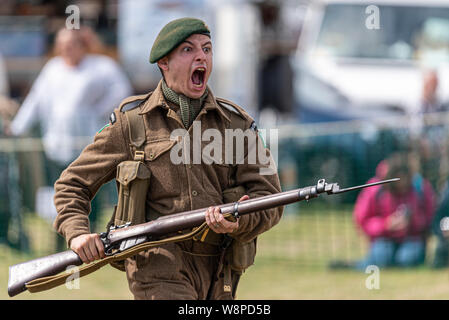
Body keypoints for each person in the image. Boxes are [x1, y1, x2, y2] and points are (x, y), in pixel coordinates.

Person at [52, 18, 283, 300]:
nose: (201, 56)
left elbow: (270, 198)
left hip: (221, 270)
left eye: (207, 49)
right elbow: (72, 184)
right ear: (164, 62)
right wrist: (77, 233)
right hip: (157, 267)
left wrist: (240, 222)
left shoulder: (237, 124)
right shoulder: (132, 123)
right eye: (188, 50)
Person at [8, 27, 132, 249]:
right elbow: (35, 101)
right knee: (59, 193)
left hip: (87, 147)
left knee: (87, 195)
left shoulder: (101, 67)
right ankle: (59, 241)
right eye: (62, 46)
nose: (67, 50)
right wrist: (17, 128)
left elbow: (121, 92)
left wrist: (97, 112)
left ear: (82, 45)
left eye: (71, 45)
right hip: (56, 145)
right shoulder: (52, 69)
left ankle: (90, 240)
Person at [353, 153, 436, 269]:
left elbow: (431, 219)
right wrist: (386, 224)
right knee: (382, 257)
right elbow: (363, 221)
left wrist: (413, 220)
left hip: (412, 238)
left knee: (407, 259)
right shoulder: (375, 189)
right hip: (383, 238)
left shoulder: (420, 188)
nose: (401, 185)